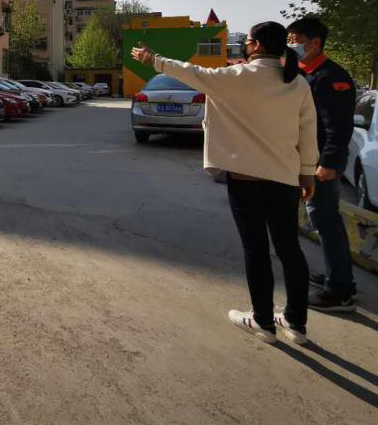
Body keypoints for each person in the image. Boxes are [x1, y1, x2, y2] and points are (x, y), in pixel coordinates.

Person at [132, 22, 318, 345]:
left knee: (256, 250)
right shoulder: (297, 83)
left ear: (256, 45)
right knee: (290, 249)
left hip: (246, 180)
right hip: (285, 180)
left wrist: (153, 60)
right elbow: (307, 131)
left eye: (248, 40)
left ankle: (263, 321)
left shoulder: (235, 77)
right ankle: (296, 323)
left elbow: (190, 72)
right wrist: (307, 172)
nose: (245, 45)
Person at [286, 17, 357, 313]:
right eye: (288, 40)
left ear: (315, 43)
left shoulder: (330, 77)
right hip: (305, 158)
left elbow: (338, 127)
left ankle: (340, 291)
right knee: (322, 220)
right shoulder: (304, 73)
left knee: (326, 220)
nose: (291, 46)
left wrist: (328, 163)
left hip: (321, 163)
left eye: (295, 41)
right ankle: (336, 275)